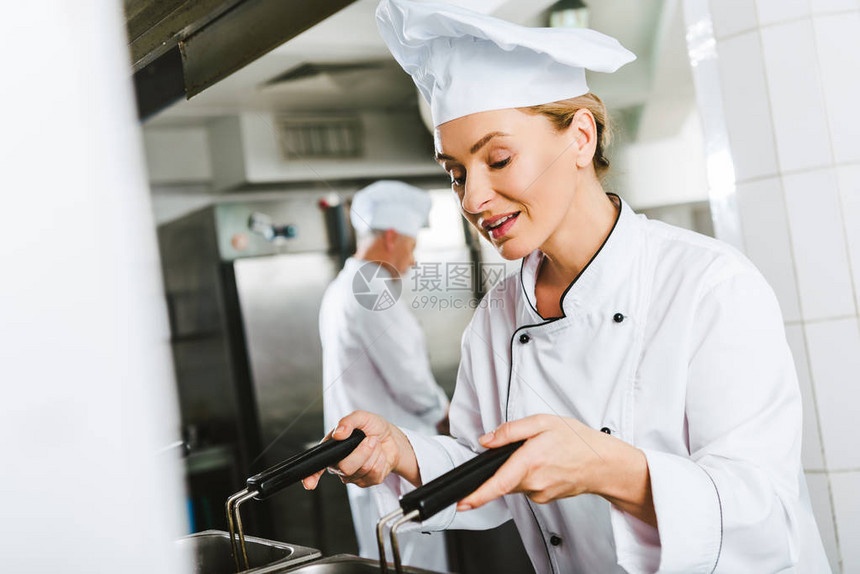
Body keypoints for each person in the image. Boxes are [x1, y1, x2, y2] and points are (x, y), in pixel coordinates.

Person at [305, 1, 832, 572]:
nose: (472, 198)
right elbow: (488, 464)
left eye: (498, 159)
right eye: (456, 173)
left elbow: (764, 519)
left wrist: (605, 467)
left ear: (581, 138)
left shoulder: (709, 287)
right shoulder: (498, 315)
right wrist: (403, 450)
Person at [318, 180, 450, 571]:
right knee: (413, 565)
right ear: (392, 237)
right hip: (394, 461)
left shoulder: (343, 287)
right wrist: (447, 416)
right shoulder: (372, 291)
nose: (413, 260)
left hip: (366, 458)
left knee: (384, 559)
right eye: (412, 246)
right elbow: (410, 381)